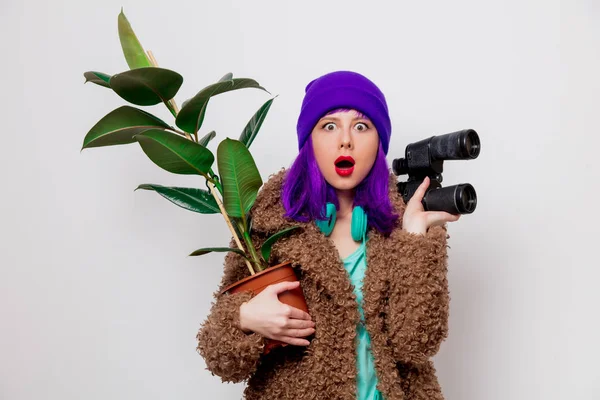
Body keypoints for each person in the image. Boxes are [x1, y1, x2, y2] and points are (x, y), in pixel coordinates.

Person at [196, 71, 461, 400]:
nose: (345, 140)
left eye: (361, 126)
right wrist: (245, 317)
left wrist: (417, 240)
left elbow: (417, 345)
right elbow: (220, 357)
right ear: (310, 141)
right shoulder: (267, 226)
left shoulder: (405, 223)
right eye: (329, 125)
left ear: (378, 142)